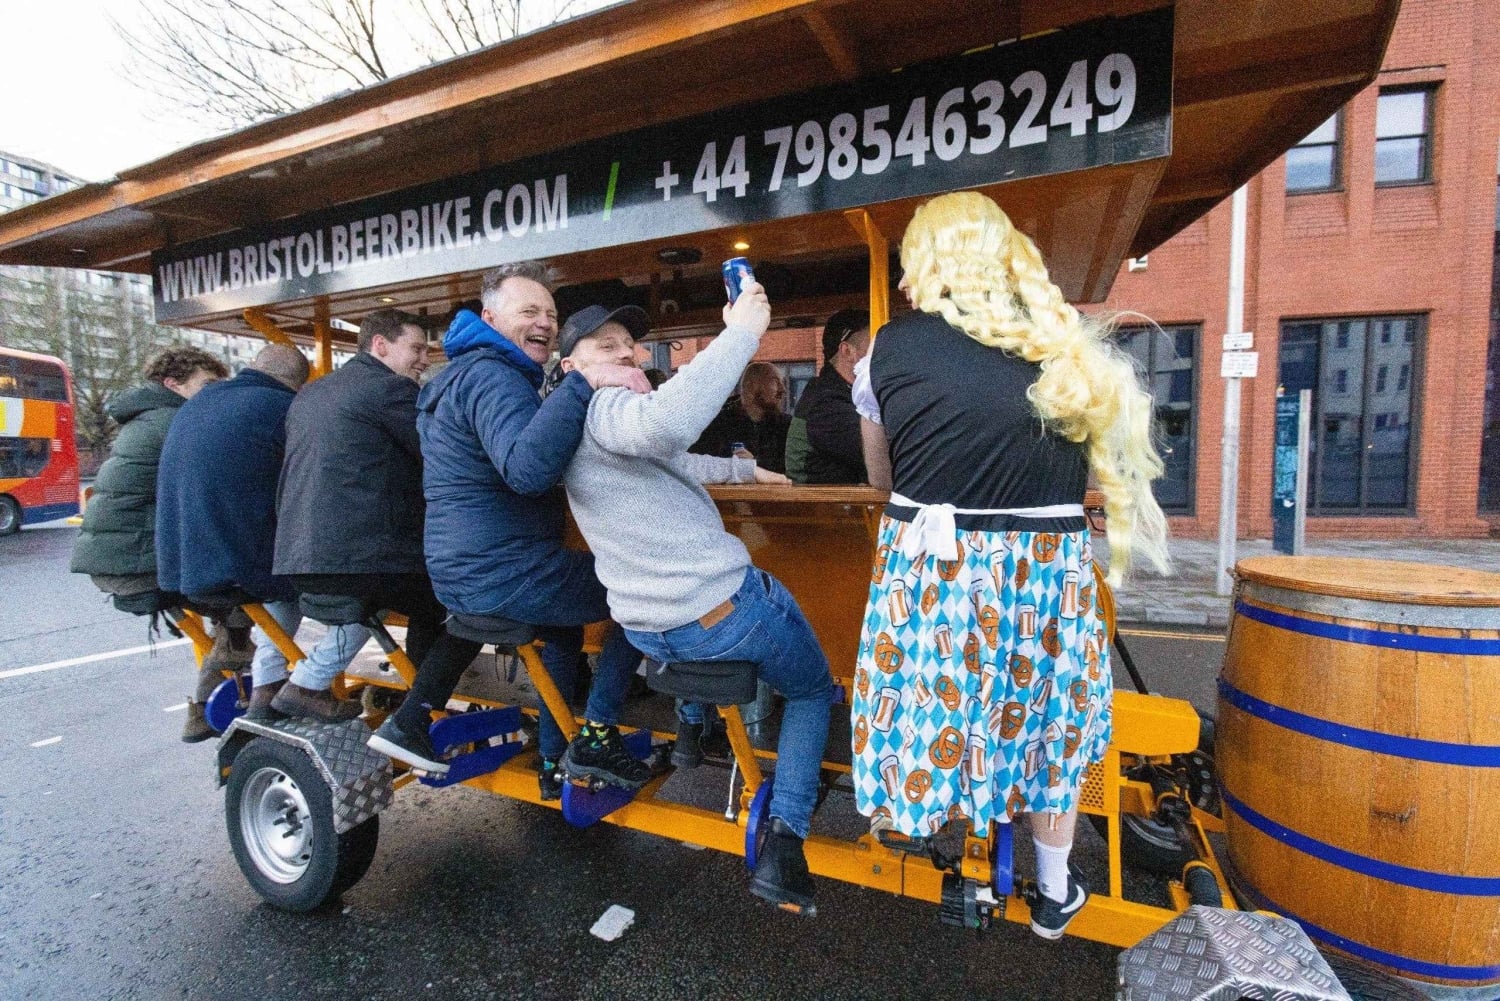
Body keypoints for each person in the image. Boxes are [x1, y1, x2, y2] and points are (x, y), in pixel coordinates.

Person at [851, 191, 1170, 940]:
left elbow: (882, 478)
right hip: (1044, 572)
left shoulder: (887, 350)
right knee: (1050, 720)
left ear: (925, 262)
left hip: (935, 566)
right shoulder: (1064, 341)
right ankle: (1054, 892)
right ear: (1006, 257)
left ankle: (920, 812)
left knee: (930, 699)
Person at [556, 285, 835, 918]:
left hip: (648, 630)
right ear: (572, 366)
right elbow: (665, 424)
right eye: (607, 347)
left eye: (630, 345)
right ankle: (786, 841)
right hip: (718, 616)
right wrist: (742, 334)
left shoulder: (573, 426)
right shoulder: (606, 408)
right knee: (813, 689)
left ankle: (688, 733)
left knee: (723, 620)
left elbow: (675, 458)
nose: (627, 354)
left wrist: (746, 472)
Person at [416, 263, 653, 797]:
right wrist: (583, 384)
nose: (544, 321)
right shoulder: (494, 375)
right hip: (503, 571)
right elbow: (526, 470)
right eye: (529, 311)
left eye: (549, 313)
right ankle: (596, 736)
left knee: (564, 630)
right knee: (644, 590)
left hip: (466, 570)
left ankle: (552, 758)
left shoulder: (463, 373)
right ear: (490, 318)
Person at [273, 309, 480, 773]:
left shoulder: (312, 393)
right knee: (469, 604)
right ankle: (416, 714)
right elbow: (445, 455)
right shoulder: (390, 390)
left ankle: (413, 697)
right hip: (359, 557)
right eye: (417, 349)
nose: (424, 359)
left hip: (299, 557)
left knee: (426, 603)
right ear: (380, 345)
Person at [157, 343, 371, 726]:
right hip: (237, 563)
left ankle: (267, 687)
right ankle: (310, 684)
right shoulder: (284, 408)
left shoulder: (198, 404)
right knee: (369, 594)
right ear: (300, 384)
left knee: (286, 593)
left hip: (184, 567)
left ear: (253, 366)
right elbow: (321, 482)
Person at [69, 345, 237, 741]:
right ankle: (218, 698)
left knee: (230, 603)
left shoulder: (146, 420)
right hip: (137, 562)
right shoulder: (177, 421)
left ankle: (212, 699)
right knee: (247, 592)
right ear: (172, 384)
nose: (215, 394)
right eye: (207, 385)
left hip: (114, 560)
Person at [783, 309, 870, 484]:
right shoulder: (825, 403)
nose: (884, 353)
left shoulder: (842, 393)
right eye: (874, 345)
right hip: (823, 502)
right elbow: (884, 453)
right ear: (847, 351)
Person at [691, 361, 791, 472]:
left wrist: (754, 464)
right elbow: (697, 466)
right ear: (751, 385)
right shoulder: (716, 425)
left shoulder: (787, 426)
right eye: (775, 381)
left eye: (782, 382)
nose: (783, 389)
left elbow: (794, 469)